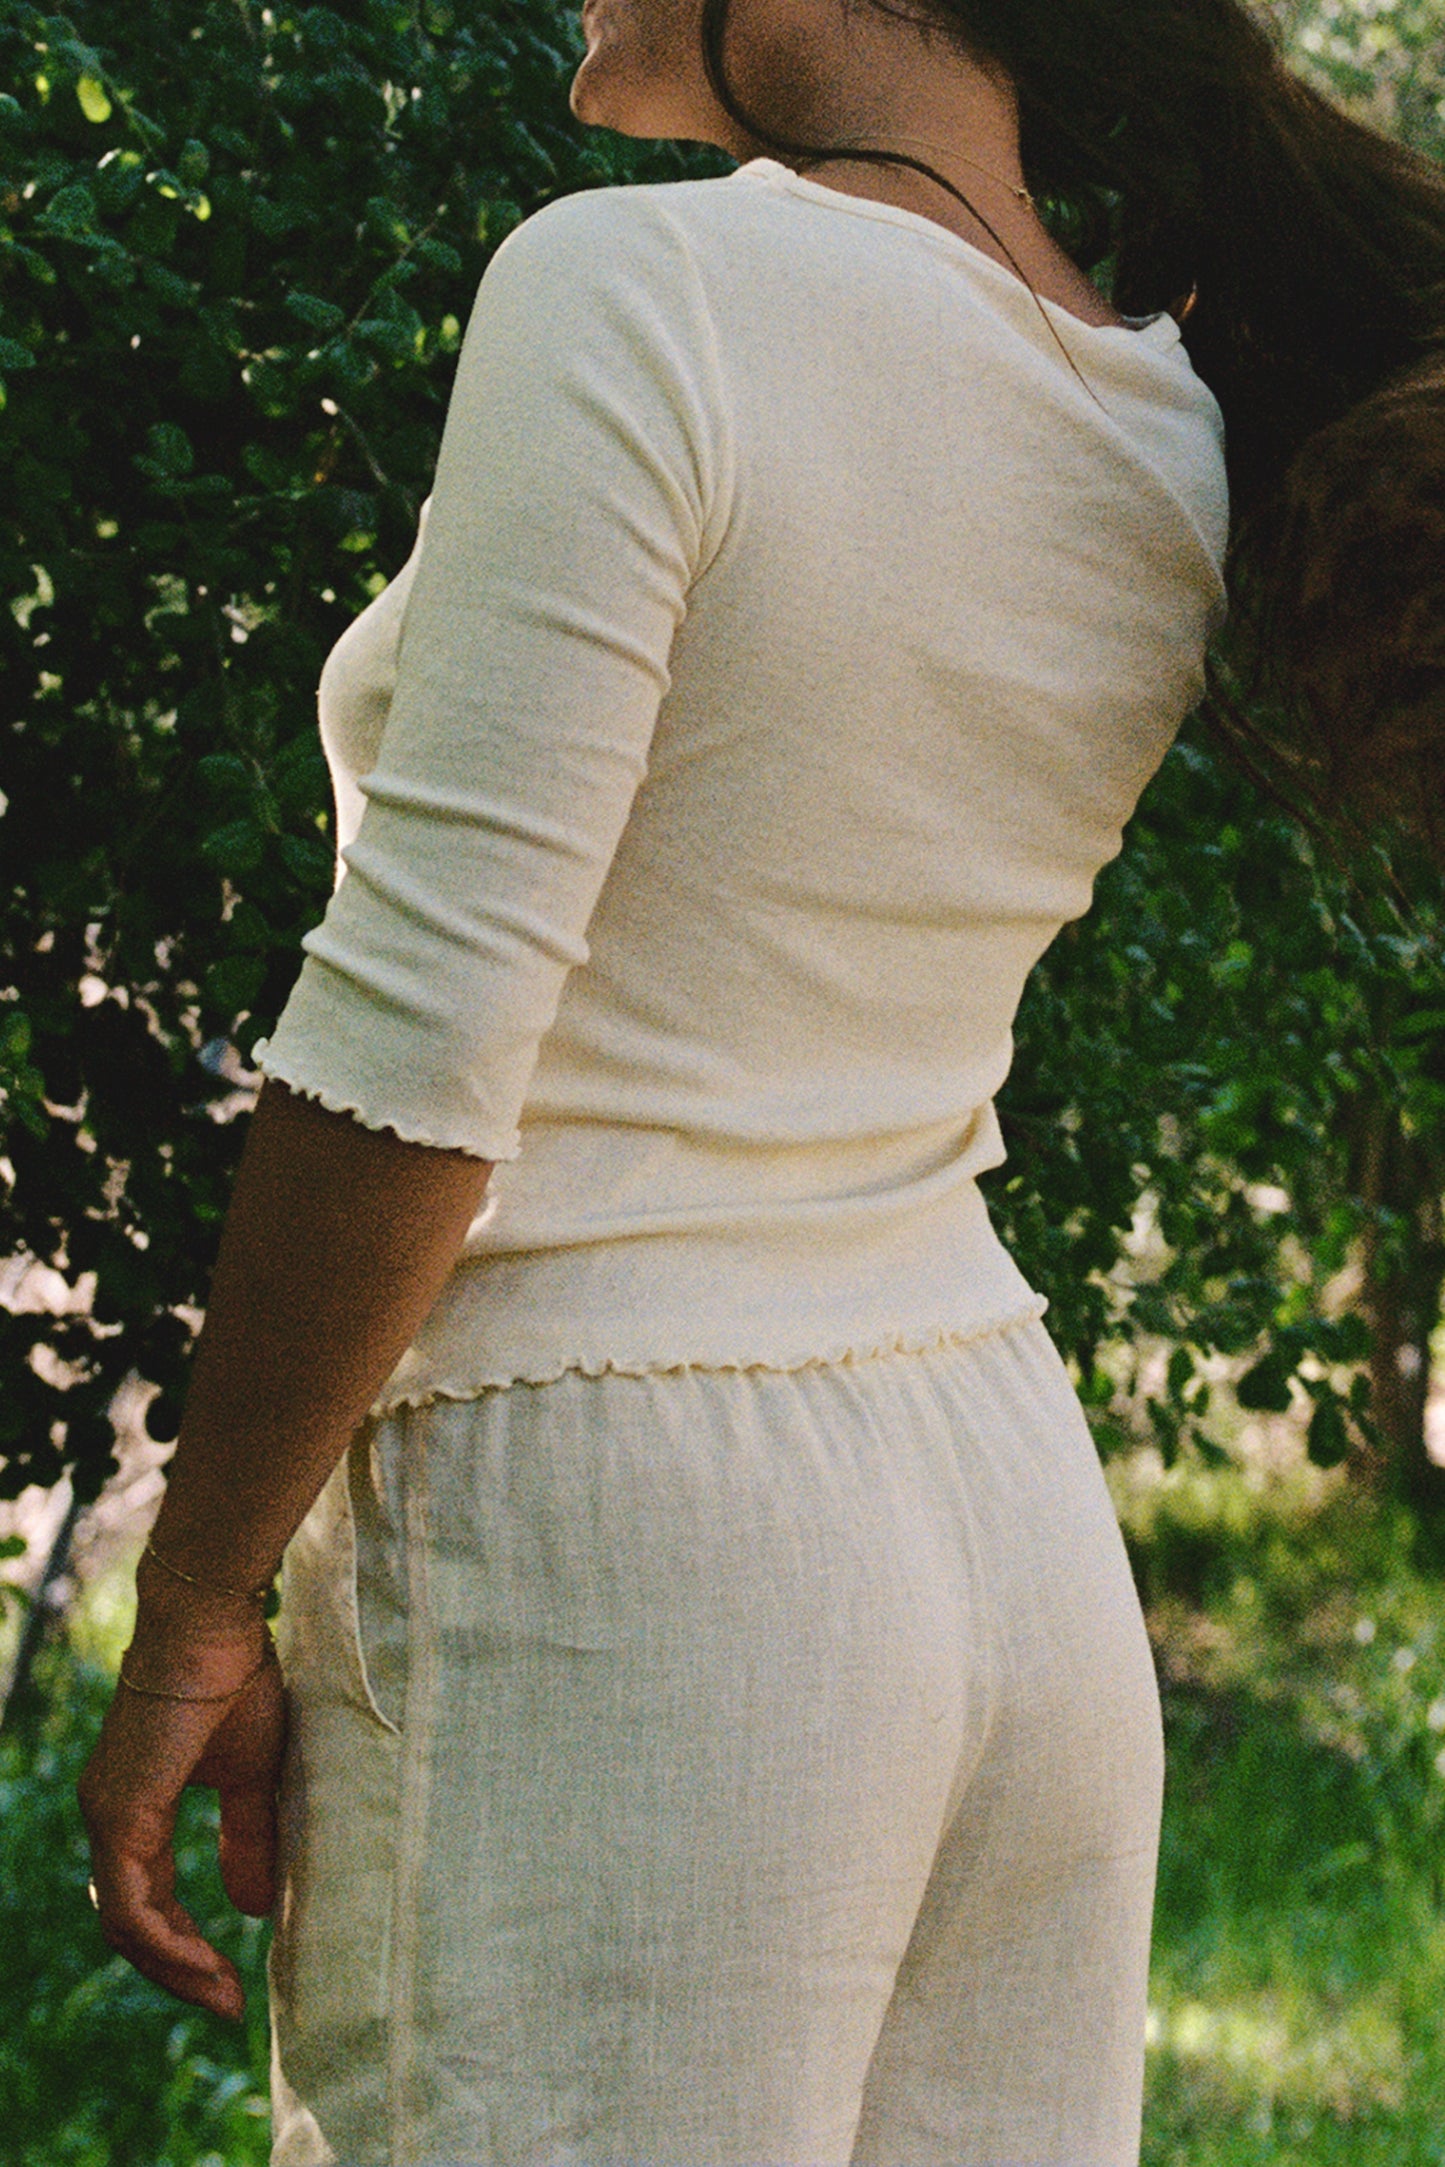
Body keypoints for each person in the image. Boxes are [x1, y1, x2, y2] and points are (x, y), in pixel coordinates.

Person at [77, 1, 1445, 2162]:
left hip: (619, 1560)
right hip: (1000, 1517)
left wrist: (196, 1596)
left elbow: (416, 1065)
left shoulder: (642, 290)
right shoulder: (1157, 419)